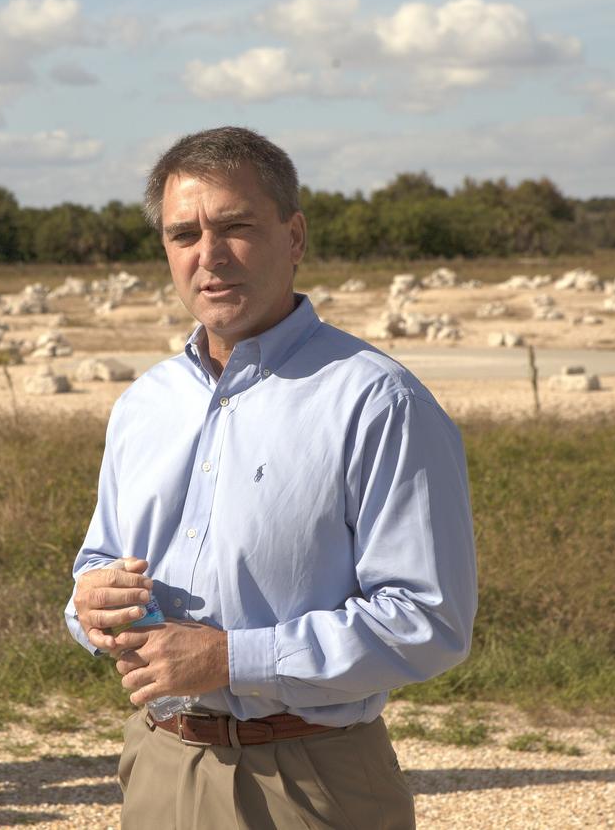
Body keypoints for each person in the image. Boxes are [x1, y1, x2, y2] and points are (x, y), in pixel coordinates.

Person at [65, 127, 477, 829]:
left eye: (235, 226)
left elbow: (429, 619)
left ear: (294, 236)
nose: (209, 255)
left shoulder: (377, 400)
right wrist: (90, 607)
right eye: (183, 234)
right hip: (158, 764)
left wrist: (231, 658)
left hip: (308, 780)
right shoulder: (144, 404)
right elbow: (97, 564)